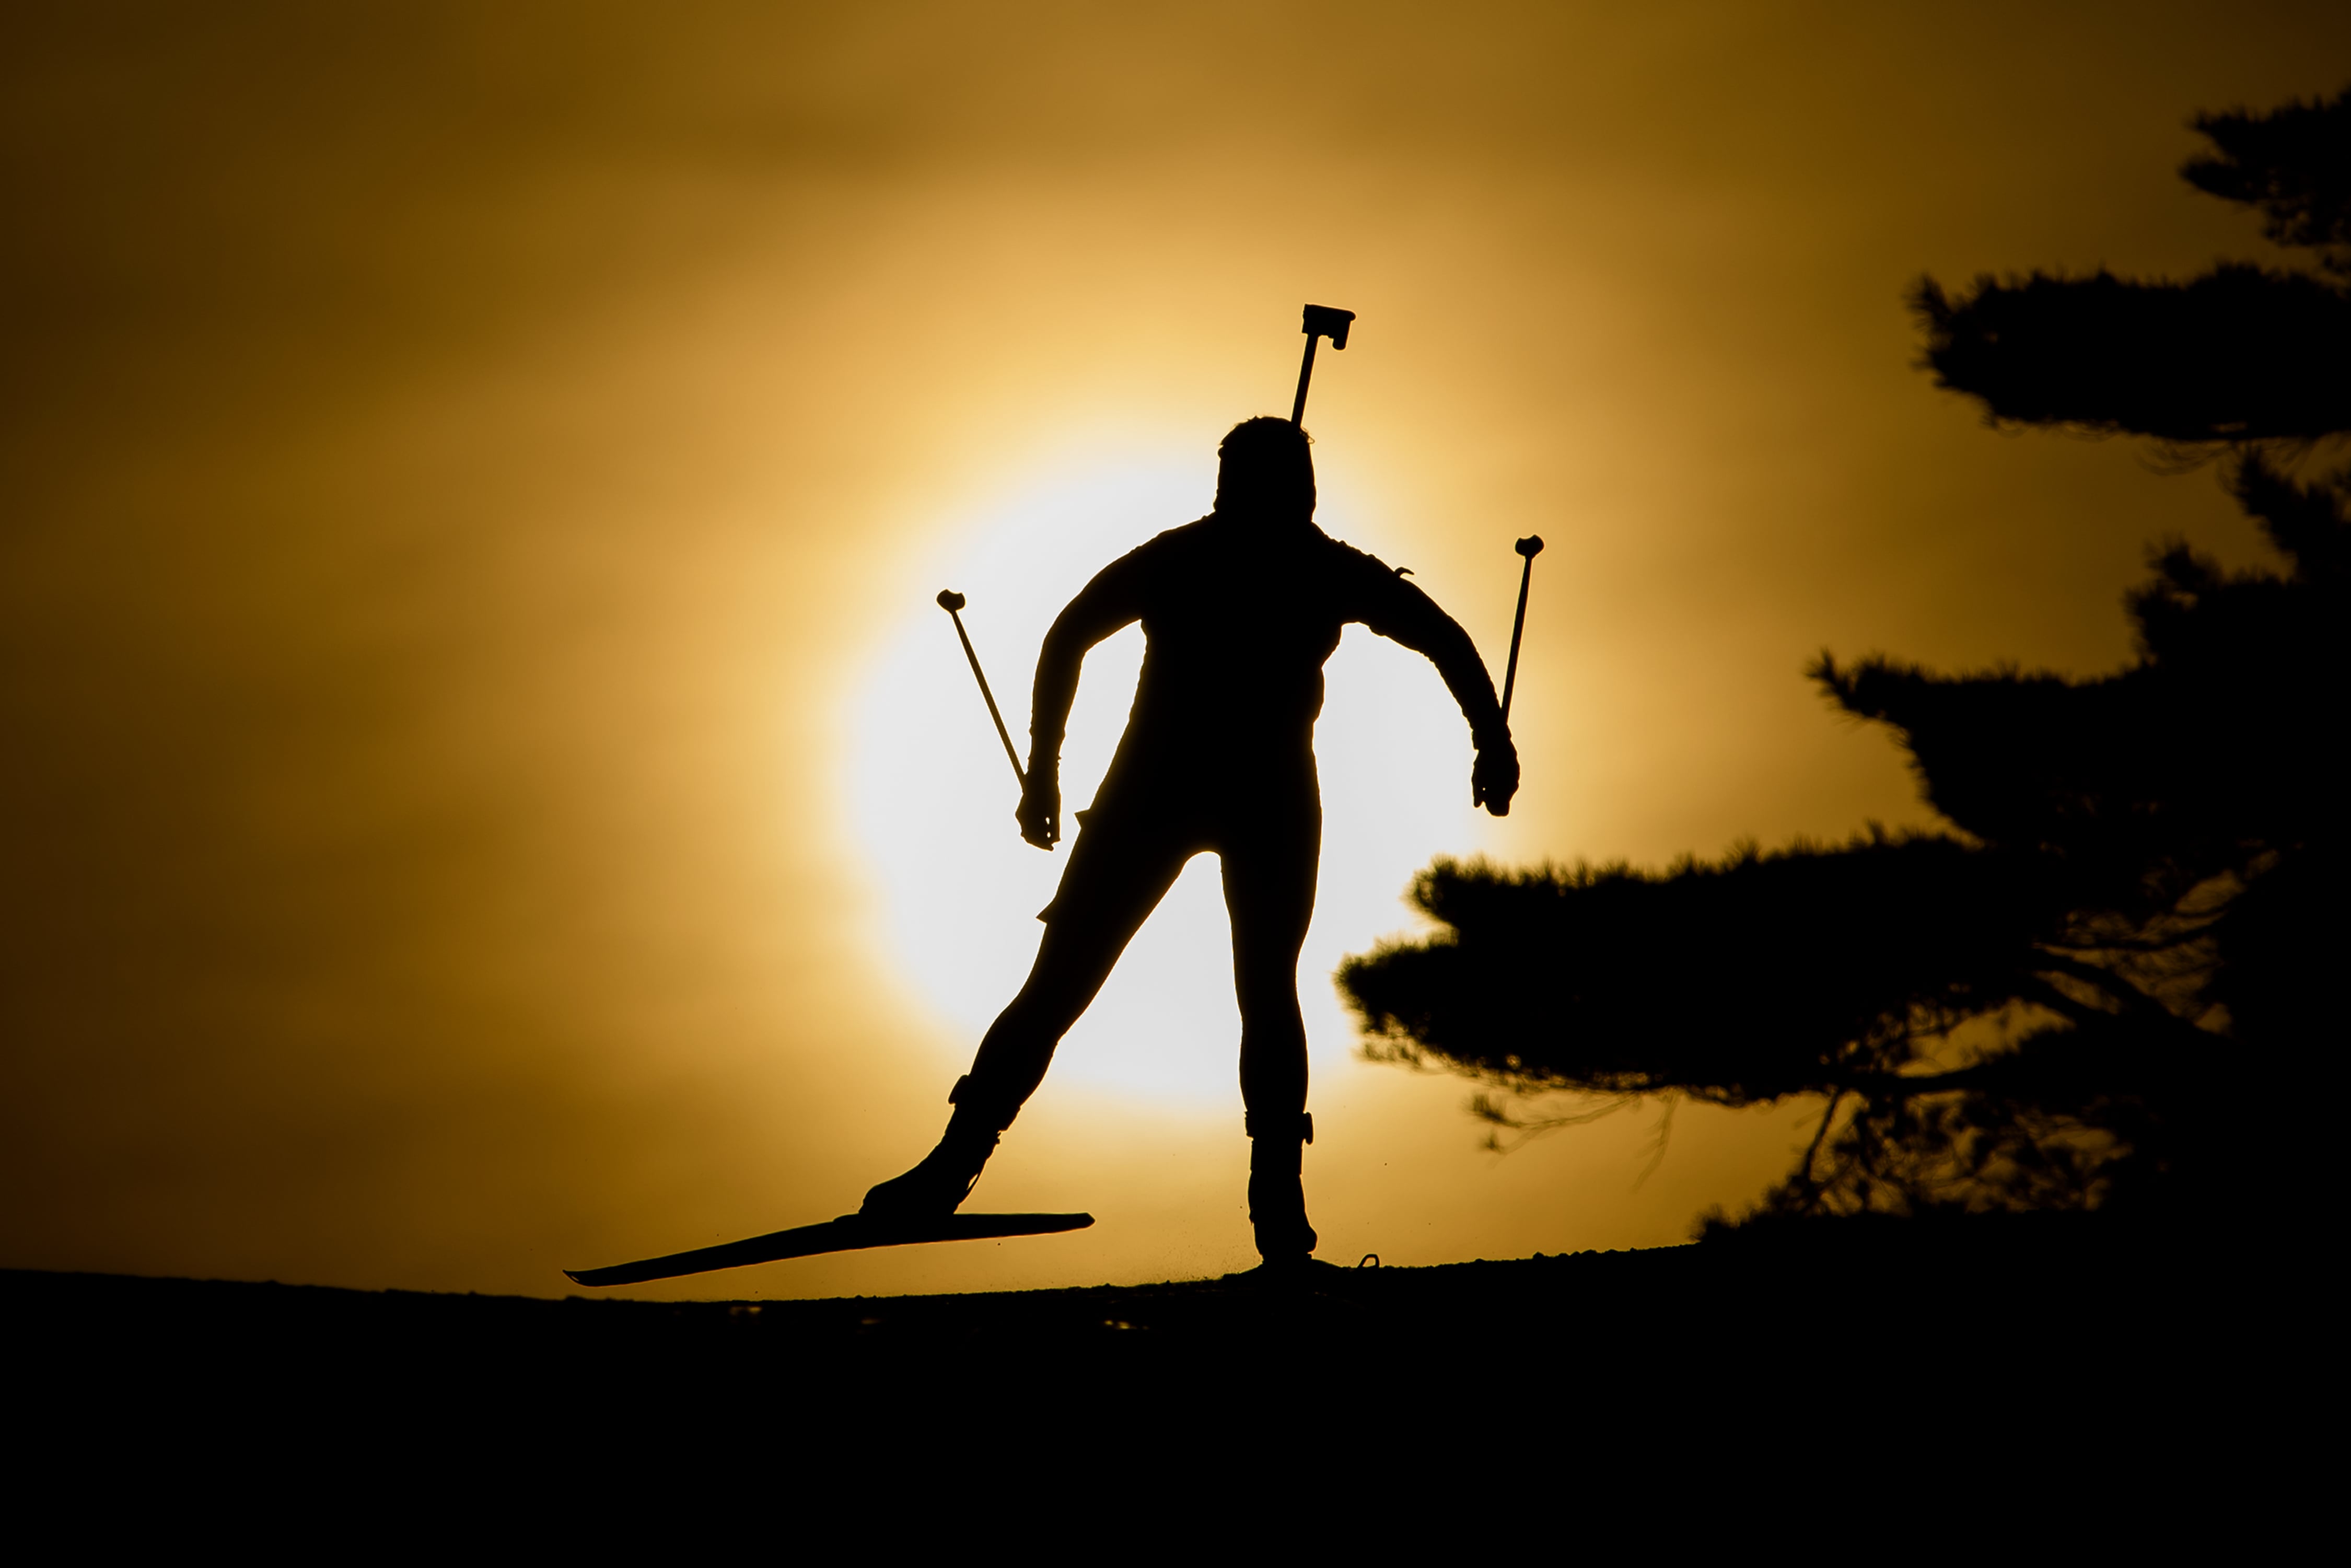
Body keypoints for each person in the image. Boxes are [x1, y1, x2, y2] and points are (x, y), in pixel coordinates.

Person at [863, 416, 1519, 1271]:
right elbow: (1445, 638)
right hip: (1211, 797)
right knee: (1176, 989)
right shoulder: (1312, 566)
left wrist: (1045, 773)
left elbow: (1070, 632)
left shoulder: (1210, 558)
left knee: (1141, 988)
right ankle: (1271, 1217)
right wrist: (1491, 740)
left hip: (1186, 795)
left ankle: (962, 1173)